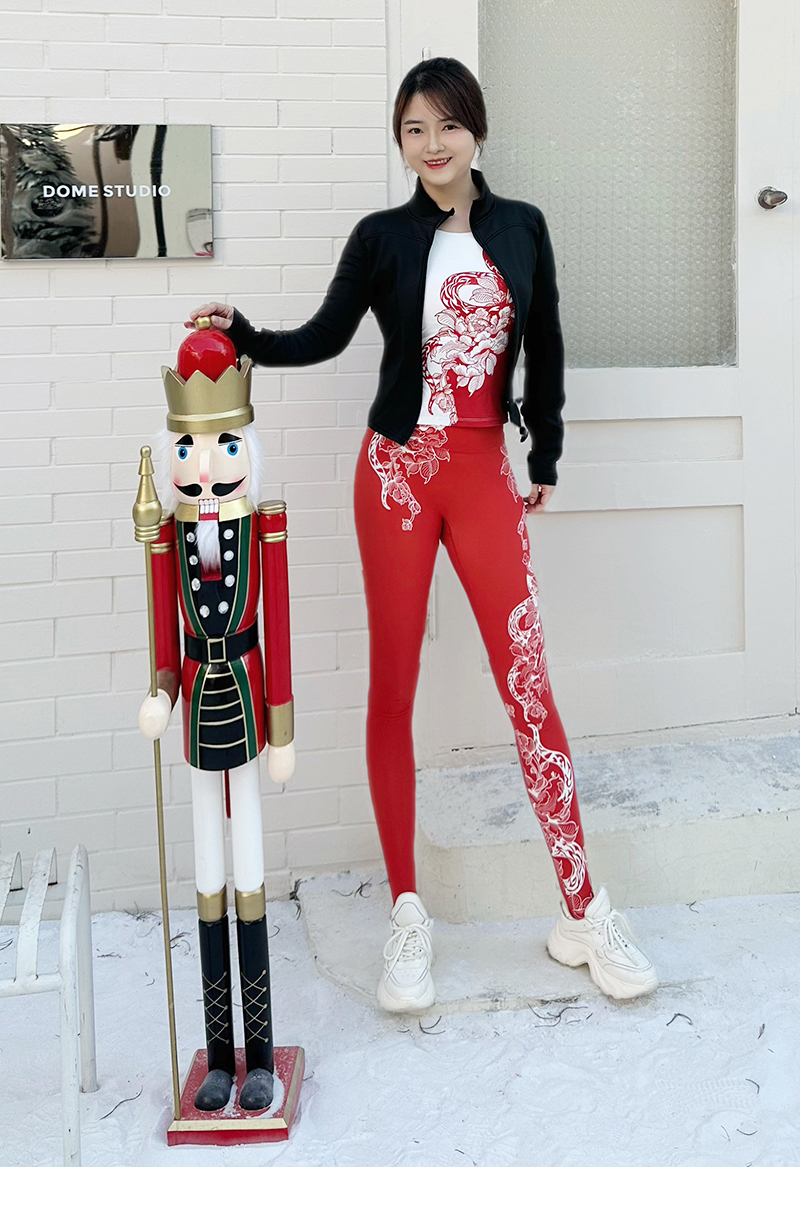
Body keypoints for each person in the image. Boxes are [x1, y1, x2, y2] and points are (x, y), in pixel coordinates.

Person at [185, 57, 658, 1013]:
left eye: (447, 125)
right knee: (391, 685)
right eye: (414, 129)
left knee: (528, 685)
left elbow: (547, 342)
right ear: (400, 141)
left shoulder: (522, 227)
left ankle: (583, 909)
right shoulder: (382, 237)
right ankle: (408, 914)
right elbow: (323, 335)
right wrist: (246, 334)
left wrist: (545, 452)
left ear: (476, 129)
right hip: (396, 477)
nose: (432, 144)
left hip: (482, 473)